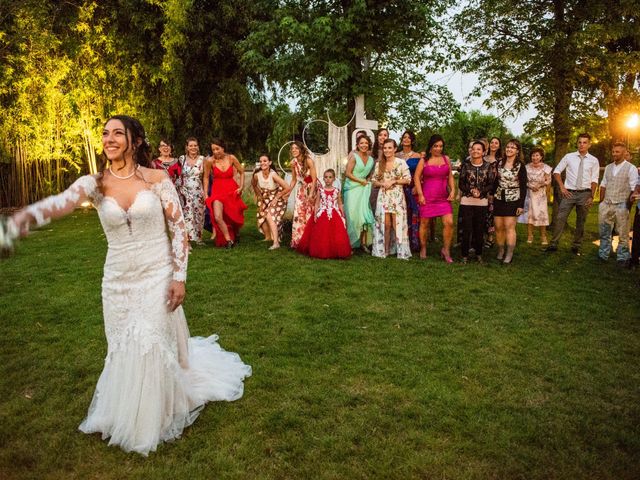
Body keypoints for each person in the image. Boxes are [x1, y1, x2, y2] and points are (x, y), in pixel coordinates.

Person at [10, 115, 251, 456]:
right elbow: (59, 203)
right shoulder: (95, 184)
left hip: (156, 273)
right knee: (123, 347)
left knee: (151, 342)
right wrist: (21, 220)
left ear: (135, 141)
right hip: (117, 280)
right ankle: (124, 410)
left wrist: (179, 277)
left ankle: (154, 418)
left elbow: (179, 230)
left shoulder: (156, 178)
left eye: (117, 133)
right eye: (105, 134)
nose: (108, 139)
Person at [545, 133, 600, 255]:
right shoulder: (569, 157)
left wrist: (592, 196)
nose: (582, 144)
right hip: (569, 193)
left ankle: (576, 245)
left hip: (585, 194)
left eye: (585, 142)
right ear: (577, 143)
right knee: (560, 218)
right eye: (580, 142)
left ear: (589, 144)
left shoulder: (594, 161)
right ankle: (553, 243)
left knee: (581, 220)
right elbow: (557, 171)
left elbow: (594, 180)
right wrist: (562, 187)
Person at [414, 134, 456, 262]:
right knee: (424, 224)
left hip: (443, 198)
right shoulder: (424, 160)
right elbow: (416, 177)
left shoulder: (446, 159)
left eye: (441, 146)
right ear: (431, 147)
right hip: (427, 197)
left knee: (449, 223)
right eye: (436, 146)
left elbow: (450, 176)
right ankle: (423, 248)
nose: (438, 149)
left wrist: (453, 190)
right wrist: (420, 194)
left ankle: (446, 250)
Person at [598, 142, 638, 265]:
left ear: (624, 153)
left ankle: (622, 256)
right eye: (613, 151)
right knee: (604, 231)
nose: (614, 154)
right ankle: (603, 253)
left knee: (623, 233)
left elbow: (633, 188)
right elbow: (603, 184)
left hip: (622, 203)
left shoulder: (631, 168)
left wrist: (628, 206)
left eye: (617, 152)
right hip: (607, 203)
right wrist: (601, 202)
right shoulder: (609, 167)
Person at [296, 169, 351, 259]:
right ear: (324, 179)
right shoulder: (320, 190)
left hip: (334, 213)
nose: (328, 179)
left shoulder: (337, 190)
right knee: (321, 233)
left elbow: (340, 203)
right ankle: (321, 250)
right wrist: (315, 214)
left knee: (336, 234)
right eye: (326, 177)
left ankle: (335, 250)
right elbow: (317, 203)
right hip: (322, 212)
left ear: (334, 179)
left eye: (330, 177)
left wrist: (342, 214)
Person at [371, 139, 412, 259]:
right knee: (386, 224)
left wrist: (394, 181)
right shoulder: (380, 164)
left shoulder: (401, 163)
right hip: (383, 196)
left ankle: (401, 251)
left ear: (395, 149)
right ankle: (385, 250)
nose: (387, 150)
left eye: (389, 148)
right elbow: (374, 181)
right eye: (385, 148)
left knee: (397, 223)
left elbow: (408, 179)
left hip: (397, 196)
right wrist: (382, 184)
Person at [458, 140, 497, 263]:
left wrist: (481, 192)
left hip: (482, 202)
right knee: (467, 229)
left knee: (479, 229)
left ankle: (479, 254)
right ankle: (464, 255)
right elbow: (461, 183)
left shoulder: (488, 166)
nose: (475, 151)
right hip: (466, 202)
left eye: (478, 149)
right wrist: (470, 191)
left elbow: (491, 184)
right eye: (473, 149)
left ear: (483, 152)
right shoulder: (465, 165)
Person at [203, 138, 247, 248]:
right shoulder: (210, 161)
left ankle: (235, 233)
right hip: (217, 191)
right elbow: (206, 177)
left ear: (223, 148)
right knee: (218, 216)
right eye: (213, 149)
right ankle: (228, 240)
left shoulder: (231, 158)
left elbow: (242, 172)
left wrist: (241, 186)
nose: (215, 151)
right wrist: (205, 193)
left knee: (232, 215)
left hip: (231, 190)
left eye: (217, 149)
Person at [493, 139, 527, 263]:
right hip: (499, 198)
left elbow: (523, 186)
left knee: (509, 226)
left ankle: (509, 253)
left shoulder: (520, 166)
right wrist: (492, 196)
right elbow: (496, 181)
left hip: (513, 199)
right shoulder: (499, 163)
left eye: (513, 148)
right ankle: (501, 250)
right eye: (508, 147)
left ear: (517, 151)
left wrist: (521, 204)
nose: (509, 149)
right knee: (498, 226)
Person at [343, 134, 375, 251]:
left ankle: (363, 243)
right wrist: (360, 180)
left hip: (363, 189)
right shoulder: (354, 157)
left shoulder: (371, 159)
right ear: (357, 145)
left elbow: (369, 175)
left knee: (363, 215)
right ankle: (349, 242)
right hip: (351, 188)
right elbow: (348, 173)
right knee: (352, 215)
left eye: (366, 143)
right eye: (361, 143)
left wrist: (369, 179)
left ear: (369, 144)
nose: (364, 145)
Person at [252, 154, 290, 250]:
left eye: (265, 161)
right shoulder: (257, 175)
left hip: (277, 197)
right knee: (261, 214)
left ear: (270, 163)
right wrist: (259, 197)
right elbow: (254, 185)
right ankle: (268, 237)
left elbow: (287, 187)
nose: (262, 163)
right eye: (260, 161)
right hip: (265, 197)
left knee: (270, 216)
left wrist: (276, 198)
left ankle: (276, 243)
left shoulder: (273, 175)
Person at [287, 141, 317, 248]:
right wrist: (288, 191)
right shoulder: (293, 163)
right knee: (299, 214)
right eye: (292, 149)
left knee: (310, 214)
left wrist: (311, 194)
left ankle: (312, 240)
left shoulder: (308, 161)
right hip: (301, 189)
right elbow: (294, 180)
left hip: (312, 188)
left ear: (301, 149)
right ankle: (299, 241)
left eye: (296, 148)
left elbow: (314, 179)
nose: (294, 150)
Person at [521, 146, 552, 244]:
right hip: (529, 194)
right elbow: (523, 181)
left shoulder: (546, 168)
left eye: (537, 155)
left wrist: (541, 185)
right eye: (533, 156)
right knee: (529, 215)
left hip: (540, 195)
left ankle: (543, 236)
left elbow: (549, 180)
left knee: (542, 215)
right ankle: (530, 235)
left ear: (541, 156)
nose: (535, 157)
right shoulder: (526, 167)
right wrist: (530, 185)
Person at [396, 130, 421, 252]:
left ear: (412, 140)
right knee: (400, 214)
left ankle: (414, 242)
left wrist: (417, 186)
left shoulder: (417, 156)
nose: (406, 139)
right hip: (399, 188)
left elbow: (420, 173)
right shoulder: (396, 155)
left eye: (409, 138)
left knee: (413, 214)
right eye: (404, 137)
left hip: (412, 189)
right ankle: (400, 241)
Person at [178, 137, 206, 244]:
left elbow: (206, 177)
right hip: (184, 190)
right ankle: (187, 239)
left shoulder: (203, 159)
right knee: (187, 214)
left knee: (199, 213)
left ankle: (199, 238)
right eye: (191, 145)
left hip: (198, 189)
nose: (193, 147)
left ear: (198, 147)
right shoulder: (181, 159)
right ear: (187, 147)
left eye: (195, 145)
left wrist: (205, 192)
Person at [484, 137, 501, 248]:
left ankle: (490, 238)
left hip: (493, 192)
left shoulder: (500, 160)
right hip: (481, 190)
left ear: (499, 146)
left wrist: (493, 193)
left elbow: (499, 178)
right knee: (481, 214)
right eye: (492, 142)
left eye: (496, 143)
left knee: (490, 215)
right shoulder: (483, 157)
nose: (494, 144)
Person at [370, 128, 389, 212]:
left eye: (385, 135)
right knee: (373, 209)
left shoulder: (391, 152)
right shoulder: (370, 153)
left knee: (385, 211)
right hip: (374, 186)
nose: (383, 137)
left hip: (387, 185)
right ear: (377, 137)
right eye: (380, 135)